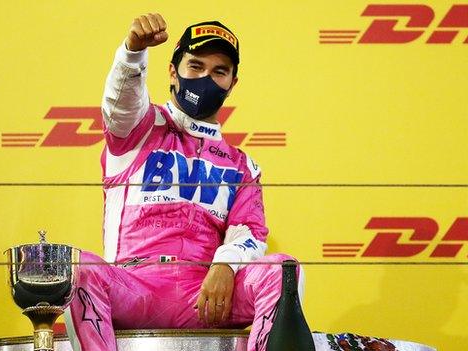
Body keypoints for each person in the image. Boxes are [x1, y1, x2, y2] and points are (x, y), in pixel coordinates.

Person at [62, 13, 303, 351]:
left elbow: (249, 231)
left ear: (232, 83)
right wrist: (132, 53)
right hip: (134, 290)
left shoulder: (242, 165)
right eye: (195, 66)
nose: (205, 78)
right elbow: (121, 104)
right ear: (173, 72)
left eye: (219, 72)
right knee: (80, 269)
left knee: (283, 271)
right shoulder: (139, 129)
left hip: (205, 297)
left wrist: (225, 265)